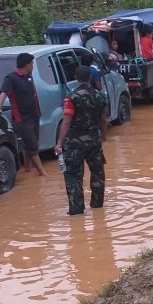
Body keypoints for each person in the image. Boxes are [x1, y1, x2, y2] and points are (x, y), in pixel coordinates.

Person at [53, 65, 108, 214]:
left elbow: (66, 121)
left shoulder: (71, 98)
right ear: (90, 78)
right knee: (97, 172)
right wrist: (103, 137)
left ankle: (76, 210)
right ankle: (97, 206)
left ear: (76, 79)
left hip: (75, 142)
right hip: (94, 140)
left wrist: (59, 143)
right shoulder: (100, 96)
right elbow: (103, 120)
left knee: (73, 175)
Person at [0, 52, 47, 176]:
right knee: (32, 145)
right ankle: (42, 173)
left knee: (30, 145)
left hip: (34, 115)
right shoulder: (11, 78)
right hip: (21, 119)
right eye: (32, 63)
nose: (33, 66)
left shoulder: (28, 76)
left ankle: (28, 169)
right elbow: (3, 93)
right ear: (27, 64)